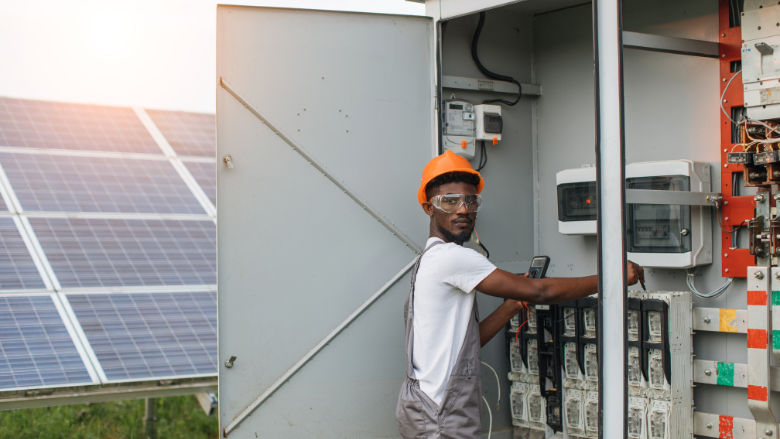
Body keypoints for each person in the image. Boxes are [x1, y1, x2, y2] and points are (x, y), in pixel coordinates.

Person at [395, 150, 644, 438]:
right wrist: (612, 278)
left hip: (426, 409)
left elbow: (467, 342)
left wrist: (511, 306)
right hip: (442, 415)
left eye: (470, 200)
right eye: (449, 201)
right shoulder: (453, 258)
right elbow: (541, 290)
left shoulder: (428, 260)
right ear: (429, 208)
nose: (463, 209)